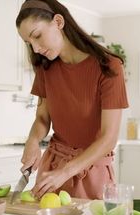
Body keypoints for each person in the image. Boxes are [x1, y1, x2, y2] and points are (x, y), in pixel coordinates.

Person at [16, 0, 128, 200]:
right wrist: (33, 140)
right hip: (52, 169)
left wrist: (67, 171)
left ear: (58, 22)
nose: (36, 49)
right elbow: (42, 118)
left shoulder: (109, 67)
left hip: (92, 172)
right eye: (29, 43)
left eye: (37, 36)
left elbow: (108, 138)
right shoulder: (45, 68)